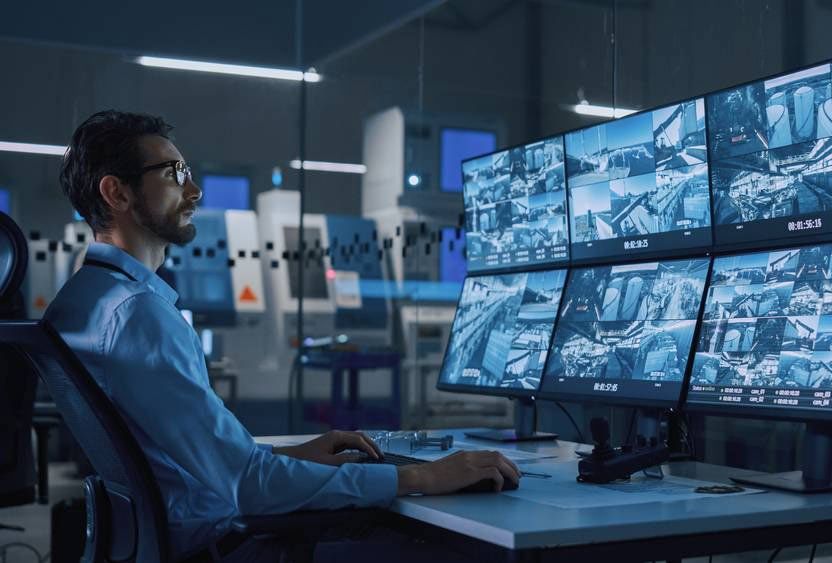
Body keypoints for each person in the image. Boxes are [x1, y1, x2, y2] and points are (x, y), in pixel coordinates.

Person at [45, 110, 519, 562]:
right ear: (117, 193)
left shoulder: (83, 300)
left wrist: (294, 456)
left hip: (166, 540)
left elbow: (186, 458)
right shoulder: (138, 315)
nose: (194, 190)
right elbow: (246, 487)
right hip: (230, 547)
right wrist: (422, 476)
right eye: (174, 173)